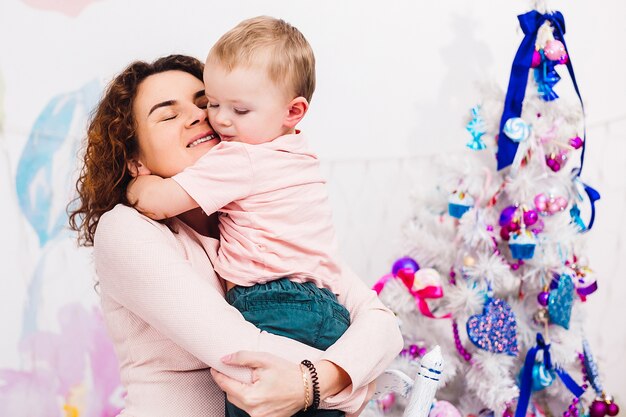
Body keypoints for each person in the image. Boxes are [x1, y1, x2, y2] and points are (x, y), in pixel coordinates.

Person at [69, 54, 403, 417]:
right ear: (136, 161)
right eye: (168, 115)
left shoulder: (266, 220)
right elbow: (243, 354)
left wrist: (311, 384)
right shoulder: (127, 230)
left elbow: (382, 324)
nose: (197, 116)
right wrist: (354, 382)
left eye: (205, 104)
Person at [126, 18, 371, 416]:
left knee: (257, 400)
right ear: (133, 154)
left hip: (276, 305)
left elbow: (156, 201)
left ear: (293, 111)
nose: (216, 120)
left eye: (230, 108)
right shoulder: (295, 153)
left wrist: (138, 185)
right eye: (215, 105)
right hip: (323, 308)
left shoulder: (240, 159)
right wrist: (344, 378)